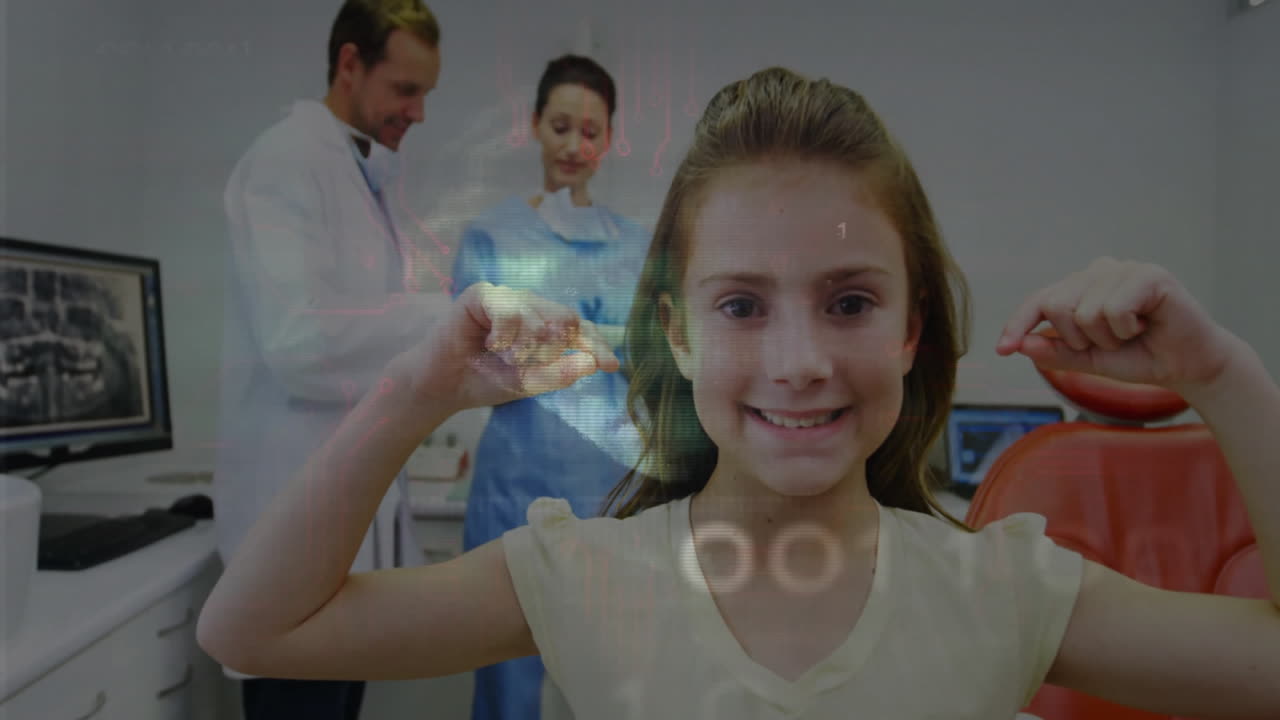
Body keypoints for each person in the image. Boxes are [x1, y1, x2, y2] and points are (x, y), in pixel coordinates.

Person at [199, 67, 1280, 718]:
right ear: (672, 329)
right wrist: (409, 393)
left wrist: (1222, 377)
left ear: (910, 330)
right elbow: (254, 634)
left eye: (849, 302)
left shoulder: (1000, 585)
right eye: (741, 306)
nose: (798, 359)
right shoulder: (580, 574)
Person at [214, 1, 443, 718]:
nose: (419, 112)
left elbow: (368, 330)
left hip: (339, 533)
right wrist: (445, 317)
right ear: (350, 64)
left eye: (425, 94)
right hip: (291, 530)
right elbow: (300, 343)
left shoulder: (360, 172)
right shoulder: (285, 163)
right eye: (407, 90)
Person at [448, 53, 650, 720]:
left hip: (618, 494)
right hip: (517, 494)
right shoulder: (492, 237)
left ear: (609, 139)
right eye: (561, 126)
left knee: (622, 688)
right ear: (534, 125)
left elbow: (662, 360)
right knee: (510, 689)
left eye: (590, 133)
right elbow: (469, 363)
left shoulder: (641, 247)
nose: (574, 146)